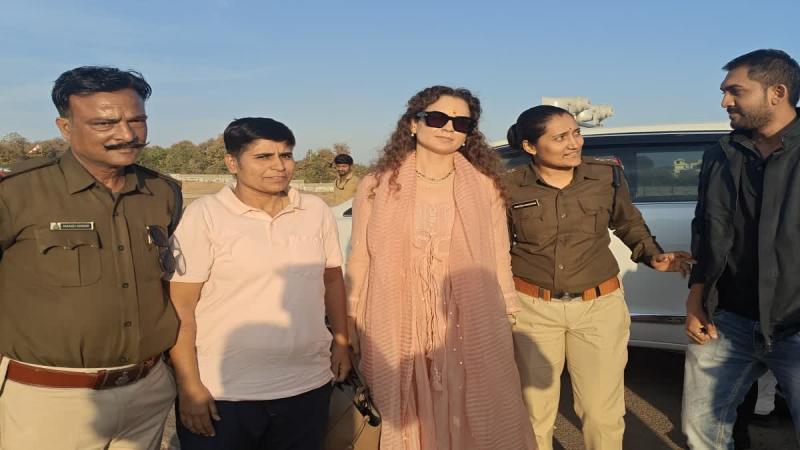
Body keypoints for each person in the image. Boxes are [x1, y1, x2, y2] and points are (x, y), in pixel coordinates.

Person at [0, 66, 181, 449]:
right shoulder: (16, 193)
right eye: (105, 123)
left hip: (147, 393)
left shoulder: (163, 193)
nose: (127, 134)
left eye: (137, 120)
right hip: (48, 400)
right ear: (65, 128)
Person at [346, 85, 536, 450]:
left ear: (469, 134)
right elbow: (361, 256)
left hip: (464, 317)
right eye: (437, 118)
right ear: (413, 124)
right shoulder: (377, 185)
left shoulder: (485, 186)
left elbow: (498, 252)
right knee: (402, 399)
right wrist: (351, 315)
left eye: (461, 123)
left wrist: (507, 307)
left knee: (471, 398)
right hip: (396, 312)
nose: (449, 128)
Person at [504, 105, 693, 450]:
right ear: (530, 146)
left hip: (599, 307)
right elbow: (497, 246)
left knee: (602, 413)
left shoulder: (606, 176)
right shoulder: (509, 186)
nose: (574, 143)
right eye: (560, 137)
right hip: (532, 309)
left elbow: (628, 222)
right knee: (533, 412)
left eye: (576, 133)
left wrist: (651, 254)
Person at [168, 117, 350, 450]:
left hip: (306, 386)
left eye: (286, 155)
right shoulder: (205, 215)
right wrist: (189, 384)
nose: (279, 166)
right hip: (225, 392)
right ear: (232, 163)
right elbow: (181, 307)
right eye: (263, 157)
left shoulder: (314, 210)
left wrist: (341, 341)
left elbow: (332, 279)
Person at [682, 48, 800, 449]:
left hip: (795, 323)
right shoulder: (722, 153)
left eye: (736, 91)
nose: (725, 102)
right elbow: (705, 230)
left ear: (777, 92)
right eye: (724, 91)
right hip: (727, 321)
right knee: (701, 430)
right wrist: (696, 300)